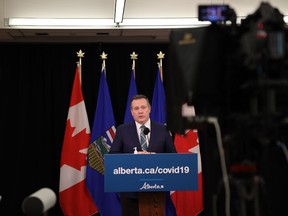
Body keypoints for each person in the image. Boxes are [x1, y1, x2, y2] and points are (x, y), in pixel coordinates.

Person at [109, 94, 177, 216]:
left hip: (157, 191)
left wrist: (153, 156)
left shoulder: (163, 130)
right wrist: (133, 158)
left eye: (143, 107)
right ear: (131, 112)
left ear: (149, 109)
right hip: (130, 192)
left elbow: (173, 156)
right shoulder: (122, 130)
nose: (140, 111)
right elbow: (113, 156)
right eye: (136, 108)